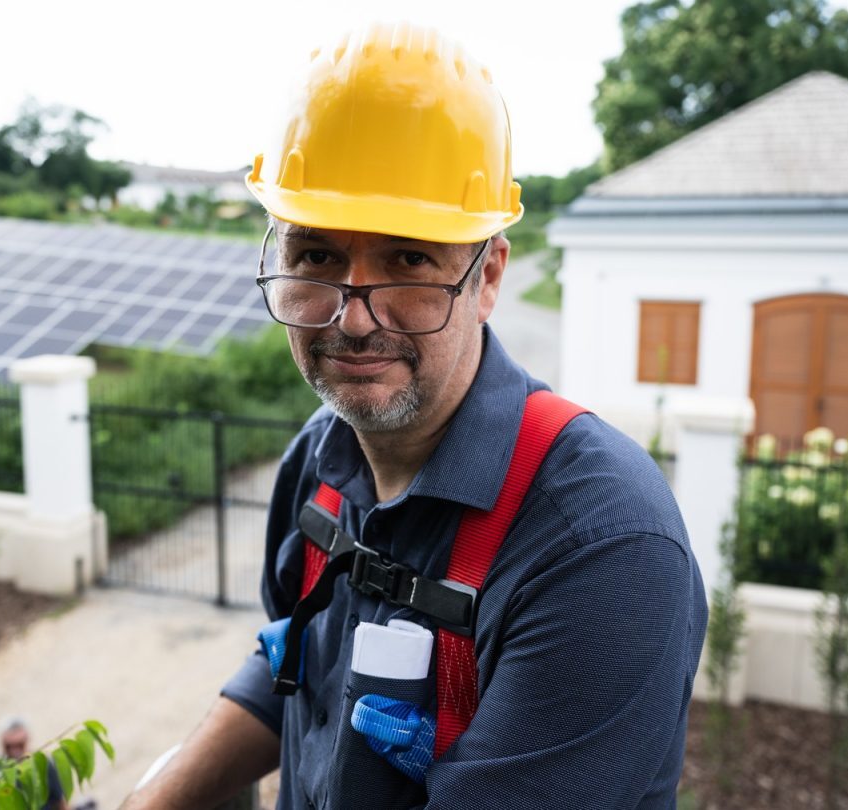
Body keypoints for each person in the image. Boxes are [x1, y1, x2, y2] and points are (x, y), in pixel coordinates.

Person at [121, 23, 708, 810]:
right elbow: (291, 666)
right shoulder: (321, 465)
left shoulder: (599, 545)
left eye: (408, 260)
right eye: (317, 256)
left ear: (487, 275)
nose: (355, 319)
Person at [0, 718, 62, 810]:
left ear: (27, 739)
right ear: (2, 742)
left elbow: (59, 801)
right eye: (9, 746)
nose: (14, 750)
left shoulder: (43, 764)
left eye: (19, 745)